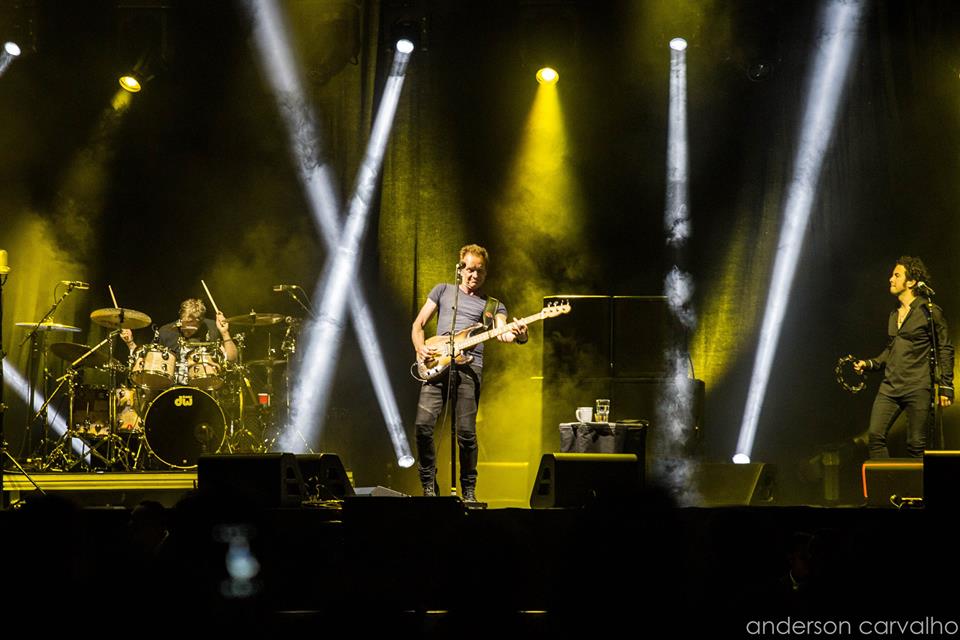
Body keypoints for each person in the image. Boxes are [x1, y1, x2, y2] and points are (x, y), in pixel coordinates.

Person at [411, 244, 528, 501]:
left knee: (466, 433)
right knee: (423, 426)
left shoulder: (493, 306)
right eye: (470, 269)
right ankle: (428, 484)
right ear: (460, 268)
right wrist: (420, 348)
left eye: (480, 271)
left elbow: (502, 333)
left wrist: (519, 335)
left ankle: (469, 491)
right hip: (437, 363)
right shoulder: (443, 290)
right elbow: (419, 324)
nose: (474, 275)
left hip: (469, 369)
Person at [854, 257, 954, 458]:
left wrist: (946, 386)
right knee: (875, 437)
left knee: (916, 444)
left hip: (917, 387)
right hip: (890, 387)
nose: (891, 279)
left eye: (897, 275)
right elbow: (892, 349)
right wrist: (870, 363)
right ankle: (888, 480)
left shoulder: (929, 312)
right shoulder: (894, 313)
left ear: (911, 282)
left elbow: (945, 347)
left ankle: (917, 480)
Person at [121, 298, 238, 383]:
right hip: (171, 387)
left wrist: (225, 333)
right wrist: (130, 343)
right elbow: (147, 363)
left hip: (205, 385)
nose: (185, 328)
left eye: (191, 325)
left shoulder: (211, 328)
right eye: (183, 323)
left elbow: (232, 359)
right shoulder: (166, 331)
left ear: (200, 322)